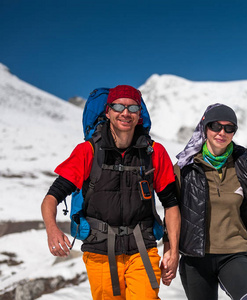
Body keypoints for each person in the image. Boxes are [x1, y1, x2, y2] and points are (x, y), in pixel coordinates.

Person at [41, 85, 180, 299]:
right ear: (108, 112)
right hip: (100, 251)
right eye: (118, 106)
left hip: (142, 247)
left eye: (132, 107)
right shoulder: (87, 151)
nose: (125, 112)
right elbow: (52, 196)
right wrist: (52, 230)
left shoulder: (154, 152)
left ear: (139, 114)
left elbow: (171, 203)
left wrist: (172, 249)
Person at [173, 103, 247, 300]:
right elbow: (173, 214)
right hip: (195, 258)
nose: (222, 132)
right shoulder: (184, 168)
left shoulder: (242, 166)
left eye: (229, 128)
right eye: (216, 126)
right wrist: (171, 252)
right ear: (205, 128)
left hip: (234, 254)